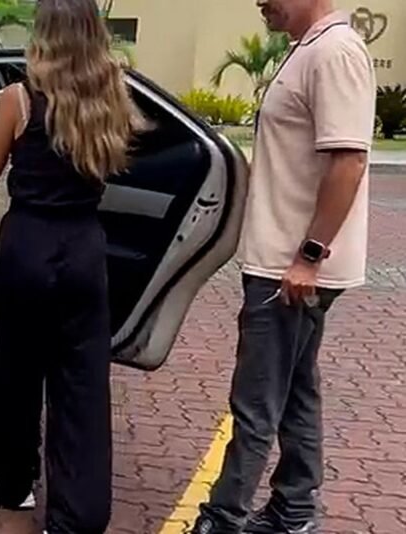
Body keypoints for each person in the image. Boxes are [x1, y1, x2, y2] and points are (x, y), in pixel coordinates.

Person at [191, 1, 376, 533]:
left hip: (290, 270)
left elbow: (349, 161)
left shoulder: (335, 52)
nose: (260, 2)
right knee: (295, 391)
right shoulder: (310, 49)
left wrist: (308, 256)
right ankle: (293, 510)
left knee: (256, 401)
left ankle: (222, 518)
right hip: (285, 264)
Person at [0, 0, 147, 532]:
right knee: (82, 384)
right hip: (83, 248)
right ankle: (78, 514)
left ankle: (14, 485)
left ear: (43, 33)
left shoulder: (19, 98)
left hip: (26, 245)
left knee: (17, 371)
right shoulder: (112, 94)